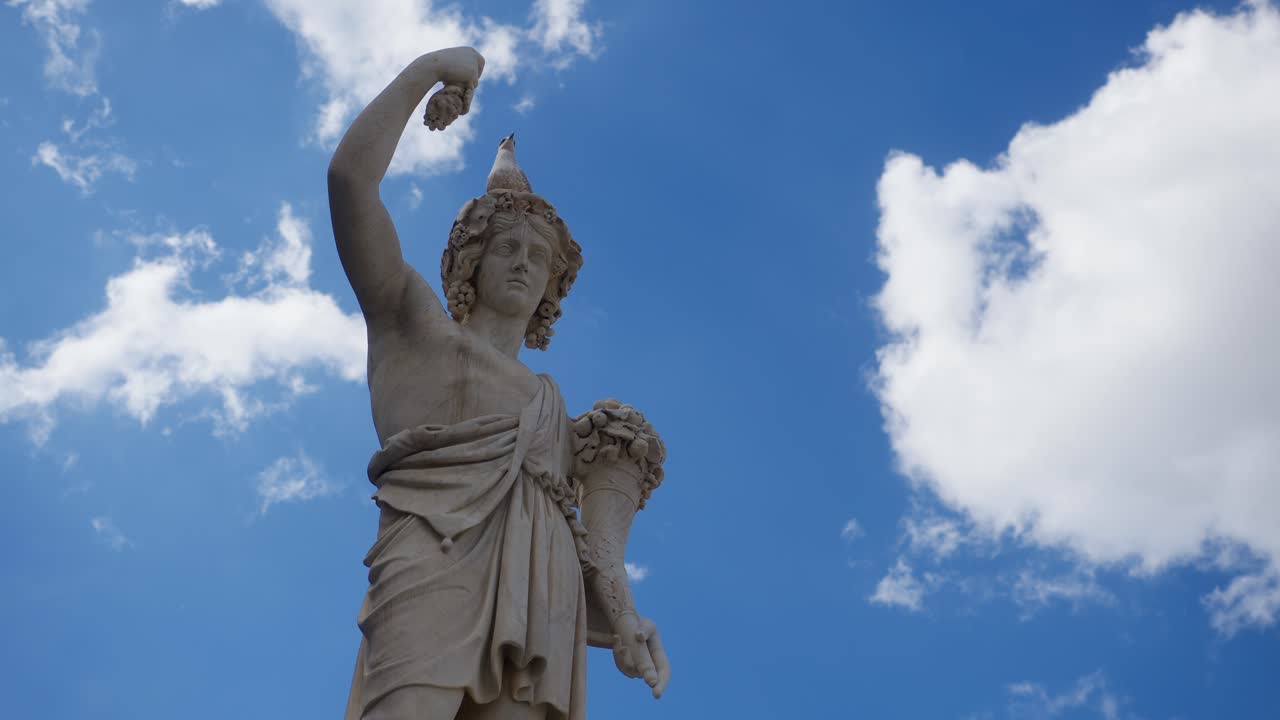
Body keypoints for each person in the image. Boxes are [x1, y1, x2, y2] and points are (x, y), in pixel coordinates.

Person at [327, 47, 668, 720]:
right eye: (508, 247)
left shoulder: (554, 409)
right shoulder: (412, 324)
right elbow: (348, 182)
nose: (523, 263)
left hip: (542, 590)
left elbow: (597, 541)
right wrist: (428, 69)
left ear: (552, 286)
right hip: (431, 560)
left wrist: (625, 619)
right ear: (472, 259)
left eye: (539, 257)